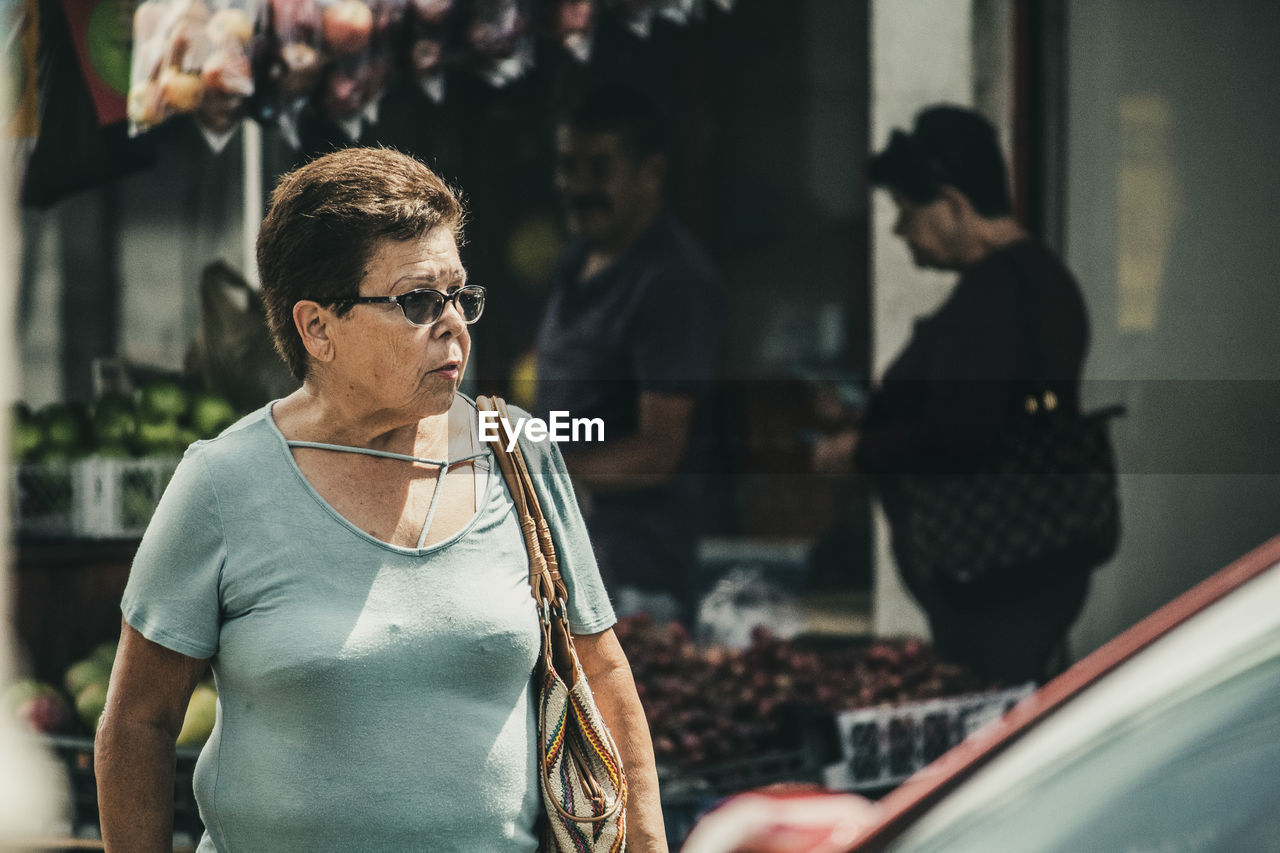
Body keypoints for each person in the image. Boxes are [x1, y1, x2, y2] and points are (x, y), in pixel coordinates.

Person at [94, 147, 668, 852]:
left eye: (460, 295)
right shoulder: (222, 482)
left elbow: (604, 674)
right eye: (419, 302)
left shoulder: (516, 451)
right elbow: (138, 722)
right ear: (318, 328)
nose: (454, 323)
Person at [813, 105, 1092, 684]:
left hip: (997, 576)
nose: (899, 230)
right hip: (1029, 564)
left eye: (907, 211)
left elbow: (959, 436)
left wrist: (856, 452)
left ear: (955, 204)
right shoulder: (1040, 279)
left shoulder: (994, 298)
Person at [533, 85, 722, 626]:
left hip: (634, 583)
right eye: (567, 166)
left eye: (599, 168)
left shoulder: (673, 282)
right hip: (562, 564)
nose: (577, 187)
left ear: (651, 174)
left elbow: (659, 450)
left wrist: (536, 473)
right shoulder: (576, 263)